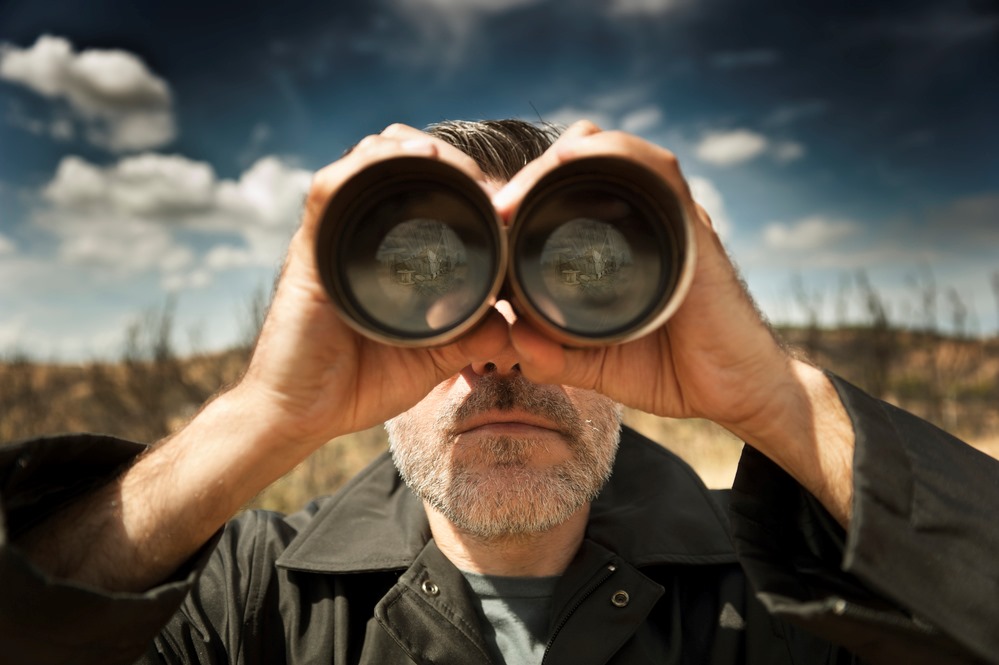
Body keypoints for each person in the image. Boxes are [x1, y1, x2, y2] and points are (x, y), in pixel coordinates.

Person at [0, 119, 996, 665]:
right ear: (352, 314)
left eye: (578, 283)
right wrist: (264, 416)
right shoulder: (248, 596)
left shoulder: (781, 595)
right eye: (423, 285)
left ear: (646, 317)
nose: (502, 353)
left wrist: (774, 396)